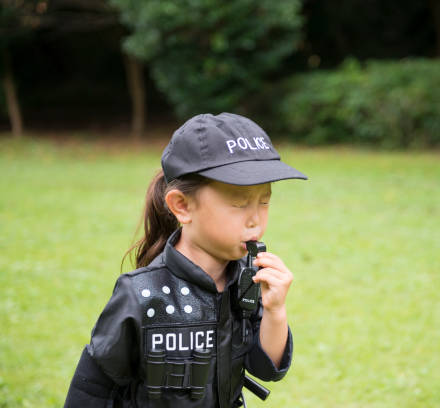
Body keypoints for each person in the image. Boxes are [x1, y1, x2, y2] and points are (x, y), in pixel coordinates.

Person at [64, 113, 308, 408]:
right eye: (240, 202)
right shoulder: (140, 295)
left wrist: (275, 311)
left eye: (265, 201)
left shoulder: (250, 280)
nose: (255, 219)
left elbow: (266, 368)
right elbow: (91, 388)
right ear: (182, 206)